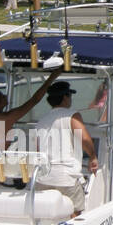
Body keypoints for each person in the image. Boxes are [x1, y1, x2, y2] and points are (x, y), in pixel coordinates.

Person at [32, 81, 98, 216]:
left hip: (43, 178)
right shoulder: (72, 116)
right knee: (74, 214)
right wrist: (92, 157)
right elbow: (84, 139)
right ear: (65, 97)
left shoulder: (41, 121)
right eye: (69, 96)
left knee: (46, 215)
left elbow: (38, 150)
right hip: (66, 177)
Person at [0, 67, 66, 149]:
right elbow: (34, 100)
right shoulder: (6, 118)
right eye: (2, 96)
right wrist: (52, 77)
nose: (6, 96)